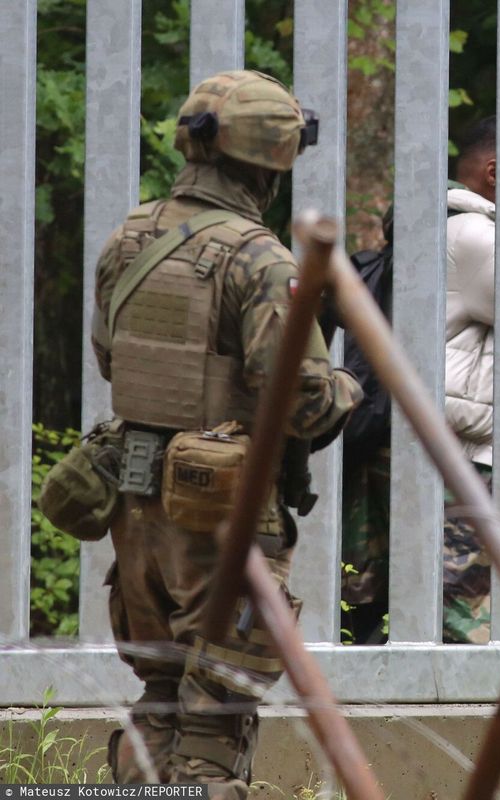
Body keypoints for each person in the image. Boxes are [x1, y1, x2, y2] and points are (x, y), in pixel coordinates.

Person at [91, 70, 362, 797]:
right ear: (274, 159)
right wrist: (350, 380)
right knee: (214, 720)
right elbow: (304, 407)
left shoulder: (129, 239)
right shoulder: (260, 260)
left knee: (158, 698)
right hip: (219, 523)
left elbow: (108, 355)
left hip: (134, 508)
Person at [332, 115, 500, 644]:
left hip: (409, 444)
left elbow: (452, 355)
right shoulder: (474, 234)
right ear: (495, 173)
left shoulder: (435, 231)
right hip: (448, 461)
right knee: (463, 632)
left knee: (379, 619)